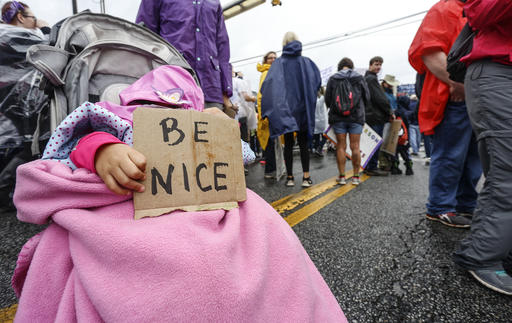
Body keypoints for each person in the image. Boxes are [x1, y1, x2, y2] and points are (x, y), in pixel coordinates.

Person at [12, 65, 346, 321]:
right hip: (128, 205)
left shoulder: (198, 122)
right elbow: (78, 143)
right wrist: (104, 152)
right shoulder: (113, 118)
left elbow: (241, 157)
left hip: (199, 208)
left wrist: (222, 128)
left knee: (262, 224)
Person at [452, 0, 512, 295]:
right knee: (507, 172)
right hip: (499, 72)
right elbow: (479, 11)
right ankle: (484, 255)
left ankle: (502, 247)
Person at [409, 0, 482, 229]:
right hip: (453, 96)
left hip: (473, 96)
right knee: (451, 154)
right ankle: (441, 207)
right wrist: (458, 83)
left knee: (473, 156)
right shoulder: (445, 8)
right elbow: (429, 52)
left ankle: (465, 204)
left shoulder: (477, 10)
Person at [135, 0, 237, 117]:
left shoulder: (214, 2)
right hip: (169, 88)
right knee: (172, 132)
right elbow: (144, 36)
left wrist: (226, 93)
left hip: (210, 89)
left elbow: (222, 47)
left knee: (212, 134)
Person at [261, 32, 321, 188]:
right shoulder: (307, 63)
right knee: (303, 144)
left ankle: (290, 177)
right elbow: (317, 83)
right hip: (303, 109)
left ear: (284, 43)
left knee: (288, 143)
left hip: (285, 110)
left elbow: (267, 87)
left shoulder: (278, 64)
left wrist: (268, 110)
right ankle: (306, 177)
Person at [325, 57, 369, 186]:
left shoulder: (333, 78)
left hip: (338, 118)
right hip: (356, 117)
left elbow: (328, 99)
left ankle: (342, 176)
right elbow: (367, 97)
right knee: (355, 147)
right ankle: (355, 177)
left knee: (341, 146)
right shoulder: (359, 78)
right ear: (351, 66)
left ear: (340, 67)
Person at [364, 56, 394, 176]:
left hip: (369, 115)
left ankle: (368, 166)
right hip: (375, 116)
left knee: (370, 143)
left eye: (380, 65)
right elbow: (380, 99)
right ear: (370, 65)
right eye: (376, 64)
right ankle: (372, 167)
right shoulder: (371, 79)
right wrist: (390, 112)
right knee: (375, 143)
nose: (378, 67)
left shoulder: (367, 78)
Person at [256, 51, 278, 178]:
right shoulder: (266, 73)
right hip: (270, 113)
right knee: (270, 142)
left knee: (274, 142)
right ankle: (270, 171)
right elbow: (261, 96)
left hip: (275, 112)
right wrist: (263, 114)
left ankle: (274, 169)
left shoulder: (275, 72)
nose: (273, 59)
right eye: (270, 58)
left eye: (275, 57)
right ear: (266, 60)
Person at [312, 87, 328, 157]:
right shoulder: (322, 98)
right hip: (323, 121)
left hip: (315, 121)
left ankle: (316, 149)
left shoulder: (313, 99)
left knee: (317, 137)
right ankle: (319, 148)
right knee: (325, 136)